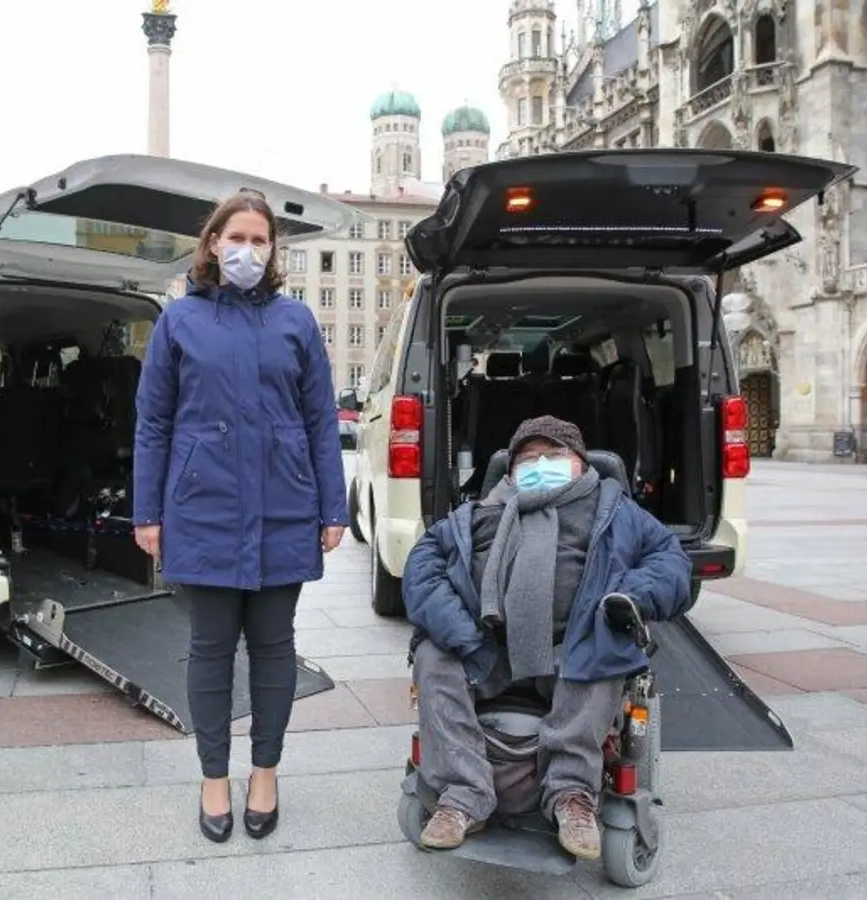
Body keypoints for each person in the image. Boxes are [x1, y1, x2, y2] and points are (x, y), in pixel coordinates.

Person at [133, 191, 349, 844]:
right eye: (239, 238)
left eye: (261, 240)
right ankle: (212, 776)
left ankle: (264, 771)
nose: (249, 250)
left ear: (274, 251)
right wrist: (148, 510)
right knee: (209, 649)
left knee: (275, 647)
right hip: (203, 509)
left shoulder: (296, 322)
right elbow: (153, 422)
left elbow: (320, 419)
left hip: (284, 507)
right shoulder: (180, 321)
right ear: (212, 244)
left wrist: (333, 507)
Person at [403, 416, 691, 860]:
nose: (541, 464)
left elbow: (670, 559)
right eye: (528, 459)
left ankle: (571, 797)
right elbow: (423, 565)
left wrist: (630, 597)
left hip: (573, 648)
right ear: (510, 471)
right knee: (432, 653)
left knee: (604, 644)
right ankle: (463, 795)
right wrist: (460, 631)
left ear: (580, 462)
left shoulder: (614, 510)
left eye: (554, 456)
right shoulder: (478, 512)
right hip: (485, 650)